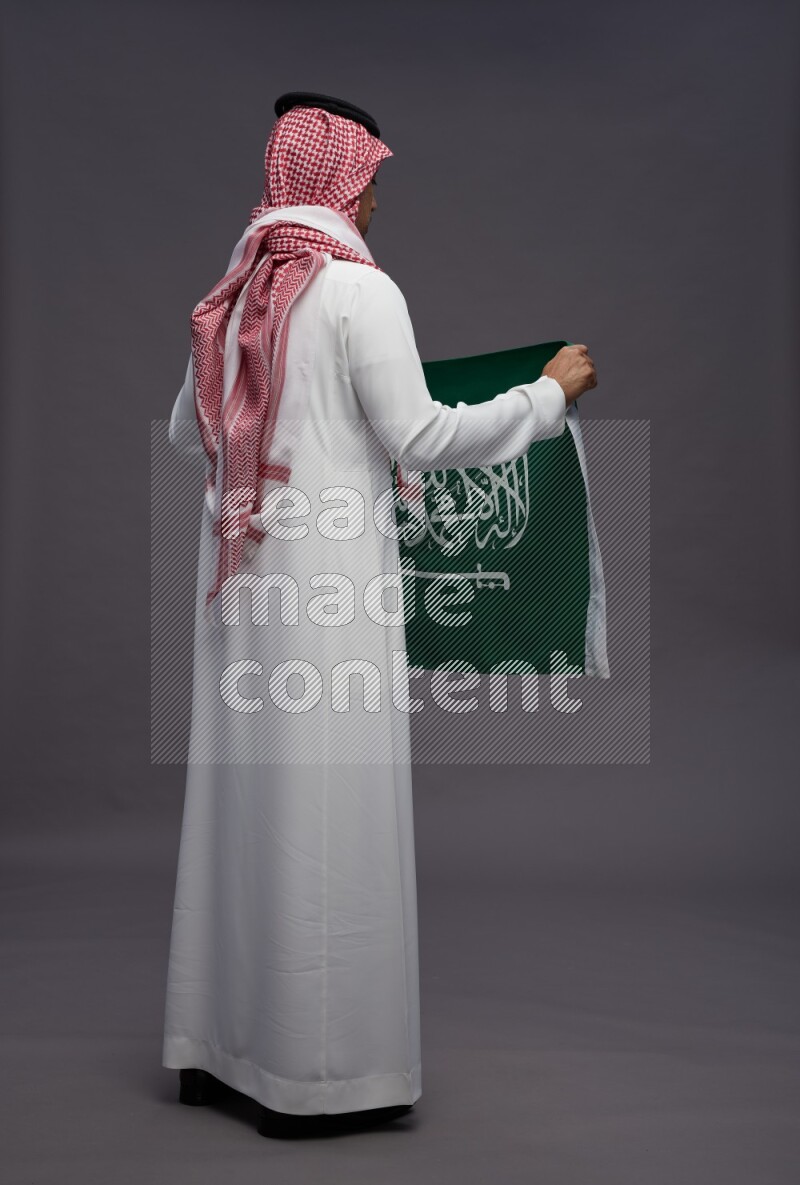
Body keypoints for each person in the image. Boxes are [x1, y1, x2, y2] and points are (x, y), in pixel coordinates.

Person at [161, 91, 597, 1140]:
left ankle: (217, 1053)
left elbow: (193, 435)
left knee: (242, 812)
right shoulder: (359, 291)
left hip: (241, 594)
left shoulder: (234, 292)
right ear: (347, 179)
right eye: (373, 181)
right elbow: (420, 439)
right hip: (326, 595)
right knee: (323, 816)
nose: (376, 200)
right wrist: (545, 397)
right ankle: (315, 1077)